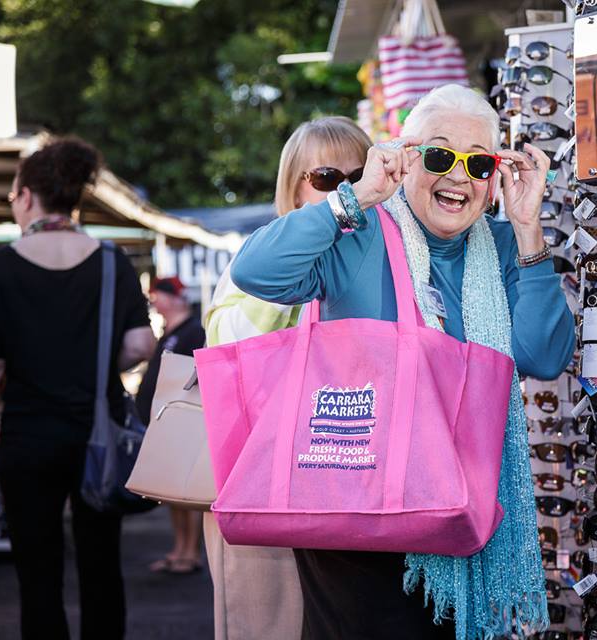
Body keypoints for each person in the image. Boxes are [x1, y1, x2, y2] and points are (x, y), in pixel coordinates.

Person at [230, 84, 575, 640]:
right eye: (439, 156)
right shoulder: (359, 230)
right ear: (406, 157)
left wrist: (530, 227)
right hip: (352, 508)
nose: (458, 177)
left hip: (455, 514)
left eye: (479, 163)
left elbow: (543, 355)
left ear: (496, 177)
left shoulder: (507, 247)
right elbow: (255, 272)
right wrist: (354, 197)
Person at [202, 115, 372, 640]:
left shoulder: (380, 256)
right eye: (326, 178)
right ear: (294, 187)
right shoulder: (265, 254)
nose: (346, 188)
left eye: (360, 174)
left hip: (348, 474)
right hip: (264, 470)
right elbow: (229, 346)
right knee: (266, 619)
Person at [0, 137, 156, 639]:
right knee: (101, 569)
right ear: (74, 198)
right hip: (97, 436)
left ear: (24, 197)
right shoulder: (110, 262)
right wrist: (96, 360)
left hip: (25, 438)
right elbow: (141, 343)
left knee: (37, 577)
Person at [135, 275, 206, 575]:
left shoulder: (193, 330)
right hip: (163, 418)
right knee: (169, 491)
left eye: (159, 295)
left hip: (181, 419)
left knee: (184, 491)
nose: (155, 301)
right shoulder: (169, 331)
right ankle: (179, 548)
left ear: (175, 298)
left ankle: (190, 553)